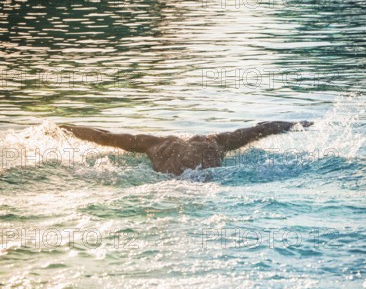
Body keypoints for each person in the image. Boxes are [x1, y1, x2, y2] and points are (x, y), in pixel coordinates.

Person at [60, 121, 313, 176]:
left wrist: (63, 128)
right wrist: (298, 124)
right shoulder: (219, 141)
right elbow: (263, 128)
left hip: (167, 180)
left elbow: (105, 137)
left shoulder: (153, 143)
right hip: (203, 179)